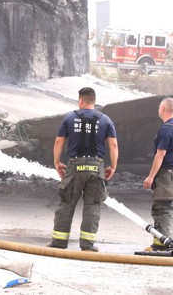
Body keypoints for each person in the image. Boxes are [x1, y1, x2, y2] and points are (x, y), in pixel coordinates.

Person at [47, 87, 118, 252]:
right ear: (93, 101)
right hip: (96, 167)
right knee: (93, 206)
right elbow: (113, 145)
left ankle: (59, 243)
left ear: (80, 100)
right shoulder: (106, 120)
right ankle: (87, 245)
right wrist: (113, 166)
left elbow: (59, 142)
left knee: (67, 203)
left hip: (75, 165)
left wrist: (57, 162)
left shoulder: (69, 117)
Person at [143, 97, 173, 251]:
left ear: (162, 108)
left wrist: (151, 177)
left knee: (163, 209)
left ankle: (163, 245)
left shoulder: (165, 129)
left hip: (167, 176)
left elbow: (160, 154)